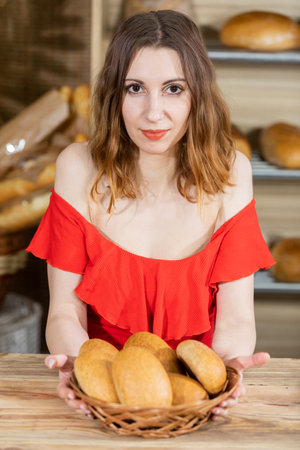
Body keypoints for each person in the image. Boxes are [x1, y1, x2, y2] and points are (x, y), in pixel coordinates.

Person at [26, 9, 275, 419]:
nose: (153, 112)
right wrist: (75, 368)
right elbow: (65, 312)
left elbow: (235, 317)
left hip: (193, 402)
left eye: (174, 89)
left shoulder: (233, 173)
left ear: (198, 93)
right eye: (135, 88)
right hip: (104, 398)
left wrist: (228, 367)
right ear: (113, 94)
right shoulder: (77, 166)